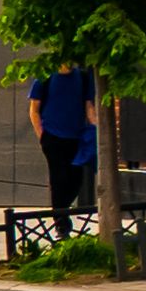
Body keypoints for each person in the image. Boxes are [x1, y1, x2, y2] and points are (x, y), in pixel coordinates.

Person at [26, 60, 93, 220]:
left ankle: (61, 213)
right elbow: (34, 110)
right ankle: (61, 222)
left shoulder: (83, 78)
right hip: (52, 136)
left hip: (76, 137)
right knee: (59, 178)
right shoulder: (45, 76)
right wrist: (42, 136)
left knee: (76, 179)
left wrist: (95, 128)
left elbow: (89, 107)